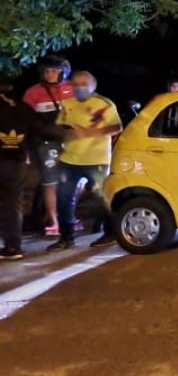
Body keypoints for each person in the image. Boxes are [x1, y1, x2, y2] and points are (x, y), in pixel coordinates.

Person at [48, 71, 122, 251]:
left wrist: (89, 133)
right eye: (76, 84)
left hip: (96, 159)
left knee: (101, 198)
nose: (80, 88)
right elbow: (60, 126)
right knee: (64, 198)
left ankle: (110, 233)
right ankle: (67, 237)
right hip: (70, 158)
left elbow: (117, 127)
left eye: (84, 84)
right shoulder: (68, 104)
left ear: (93, 85)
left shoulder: (104, 104)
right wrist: (64, 134)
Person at [22, 54, 73, 236]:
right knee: (50, 181)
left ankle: (67, 215)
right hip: (45, 143)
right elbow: (25, 121)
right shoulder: (33, 93)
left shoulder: (72, 89)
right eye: (47, 71)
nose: (50, 74)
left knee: (74, 181)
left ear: (63, 73)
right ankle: (54, 220)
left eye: (54, 71)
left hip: (72, 143)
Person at [0, 82, 36, 260]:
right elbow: (34, 134)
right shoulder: (26, 109)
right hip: (17, 162)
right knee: (13, 204)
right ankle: (13, 246)